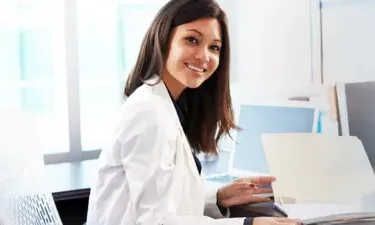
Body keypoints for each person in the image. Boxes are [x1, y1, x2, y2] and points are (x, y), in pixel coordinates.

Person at [86, 0, 301, 224]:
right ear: (164, 38)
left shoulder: (170, 105)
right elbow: (155, 221)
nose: (204, 56)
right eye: (192, 40)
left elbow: (171, 198)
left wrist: (217, 197)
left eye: (214, 47)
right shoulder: (148, 112)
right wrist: (247, 223)